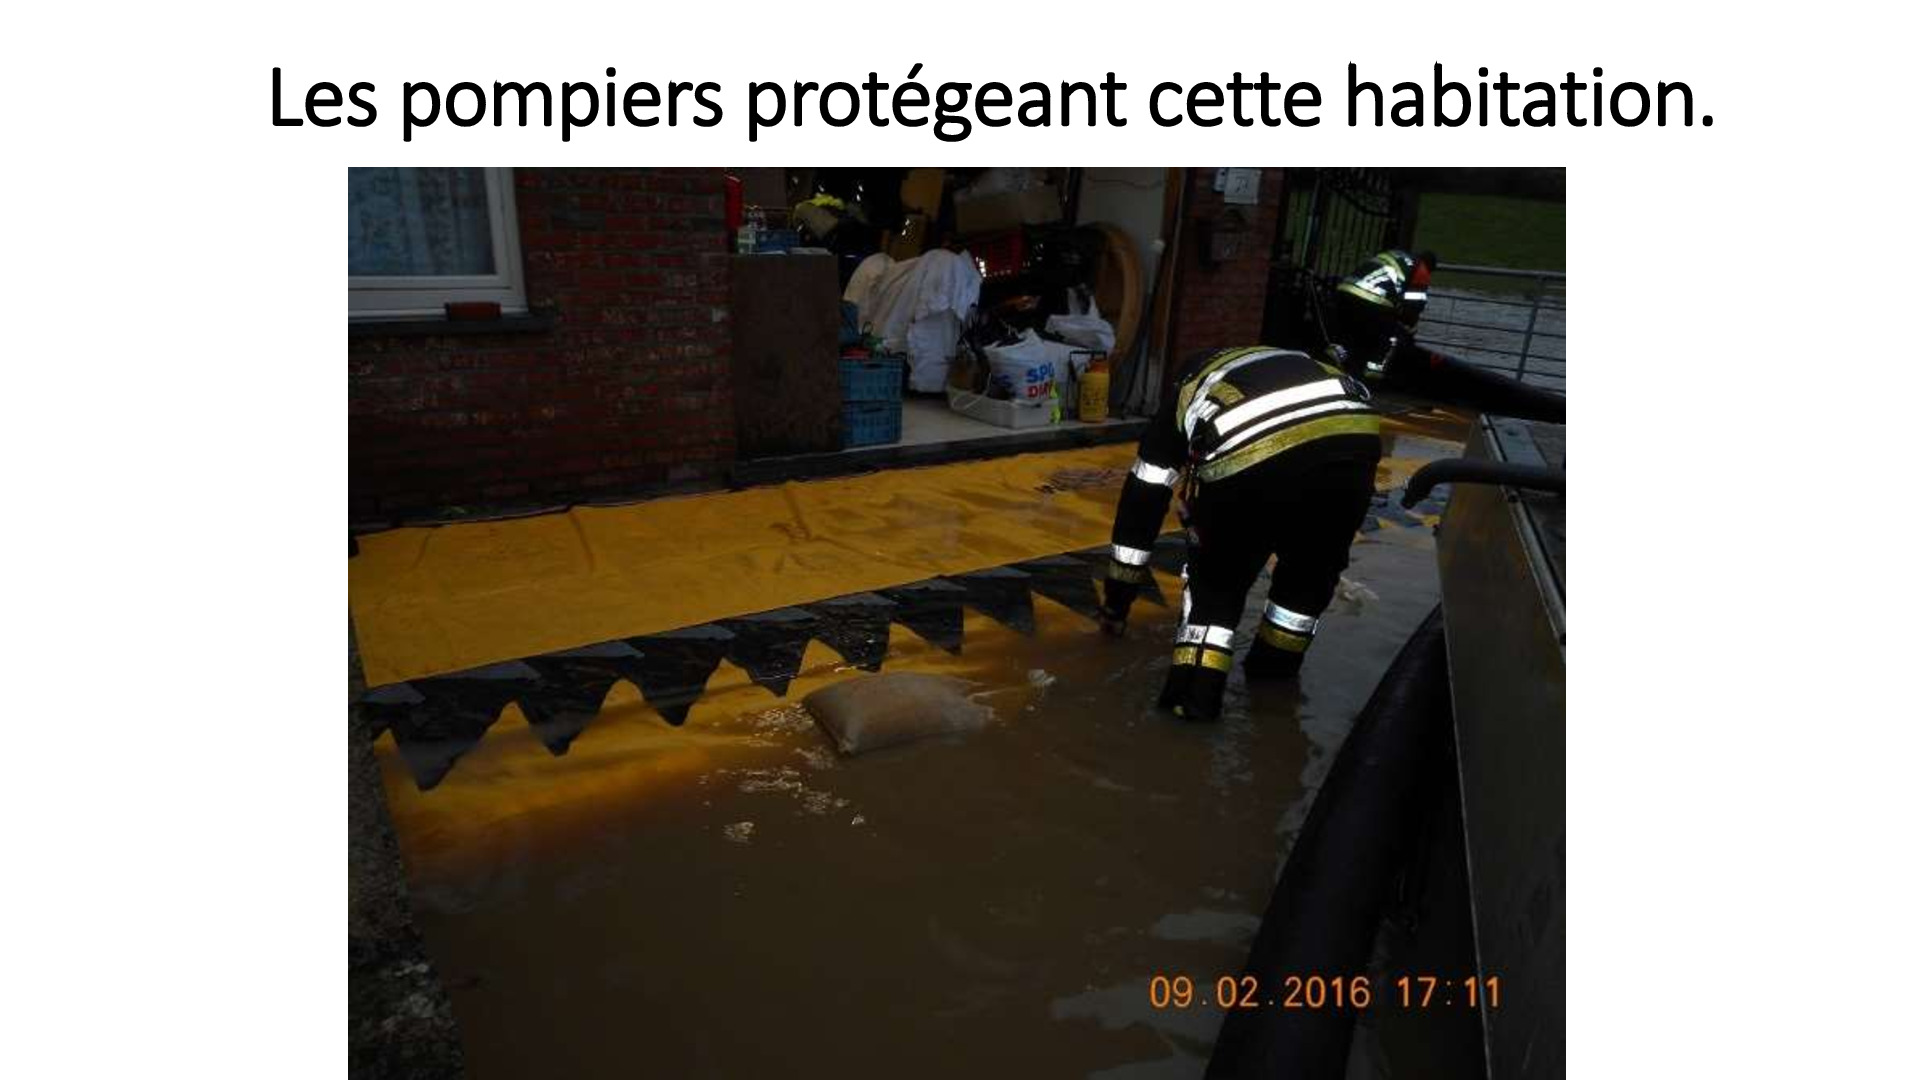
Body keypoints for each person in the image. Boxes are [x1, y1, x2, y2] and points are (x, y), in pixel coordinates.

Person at [1099, 345, 1383, 721]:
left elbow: (1141, 506)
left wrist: (1117, 603)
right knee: (1308, 578)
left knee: (1216, 589)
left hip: (1251, 452)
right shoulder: (1277, 362)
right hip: (1356, 443)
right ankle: (1272, 689)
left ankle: (1192, 708)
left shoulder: (1185, 393)